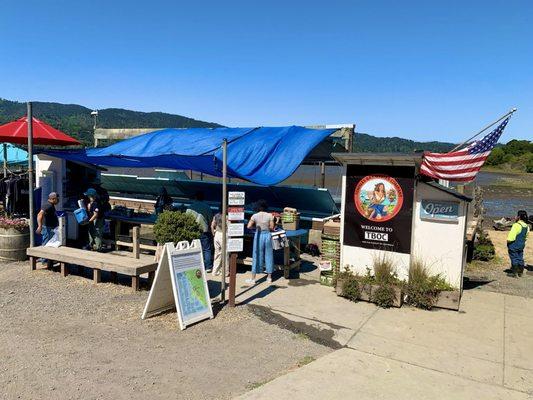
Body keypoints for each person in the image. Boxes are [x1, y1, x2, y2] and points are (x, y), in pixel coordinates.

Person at [246, 199, 275, 285]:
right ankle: (269, 277)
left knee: (257, 255)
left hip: (258, 235)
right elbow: (272, 227)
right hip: (267, 235)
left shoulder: (254, 216)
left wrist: (256, 228)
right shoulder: (270, 215)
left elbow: (248, 226)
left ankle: (253, 278)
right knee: (269, 255)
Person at [186, 191, 214, 272]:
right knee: (206, 249)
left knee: (194, 248)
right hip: (204, 231)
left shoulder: (190, 207)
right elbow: (210, 220)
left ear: (195, 197)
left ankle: (196, 265)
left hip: (193, 231)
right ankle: (208, 267)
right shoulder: (207, 207)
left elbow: (186, 219)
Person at [36, 192, 60, 263]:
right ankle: (44, 259)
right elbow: (39, 215)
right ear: (53, 199)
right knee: (46, 242)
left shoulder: (51, 205)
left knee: (49, 242)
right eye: (57, 199)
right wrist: (39, 226)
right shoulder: (48, 205)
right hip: (47, 228)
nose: (58, 200)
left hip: (50, 227)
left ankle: (45, 258)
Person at [507, 210, 530, 277]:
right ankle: (520, 272)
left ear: (519, 217)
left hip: (514, 244)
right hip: (521, 244)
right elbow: (526, 237)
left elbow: (511, 237)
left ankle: (514, 273)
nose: (515, 216)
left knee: (514, 257)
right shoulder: (526, 226)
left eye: (516, 215)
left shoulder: (516, 225)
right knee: (520, 257)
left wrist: (508, 242)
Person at [211, 211, 228, 277]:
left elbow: (212, 226)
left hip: (217, 234)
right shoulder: (227, 217)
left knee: (217, 254)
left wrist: (213, 234)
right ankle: (225, 272)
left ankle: (215, 271)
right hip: (224, 234)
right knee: (225, 254)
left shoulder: (216, 216)